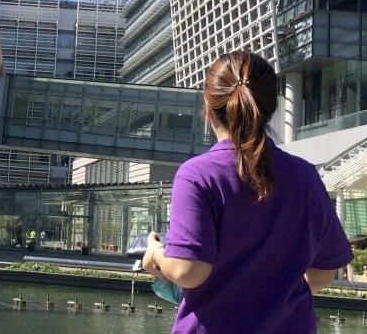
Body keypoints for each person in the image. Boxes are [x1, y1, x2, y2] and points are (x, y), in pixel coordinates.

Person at [142, 50, 352, 333]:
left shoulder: (197, 175)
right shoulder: (305, 176)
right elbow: (325, 270)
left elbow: (187, 271)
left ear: (207, 107)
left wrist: (155, 253)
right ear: (271, 108)